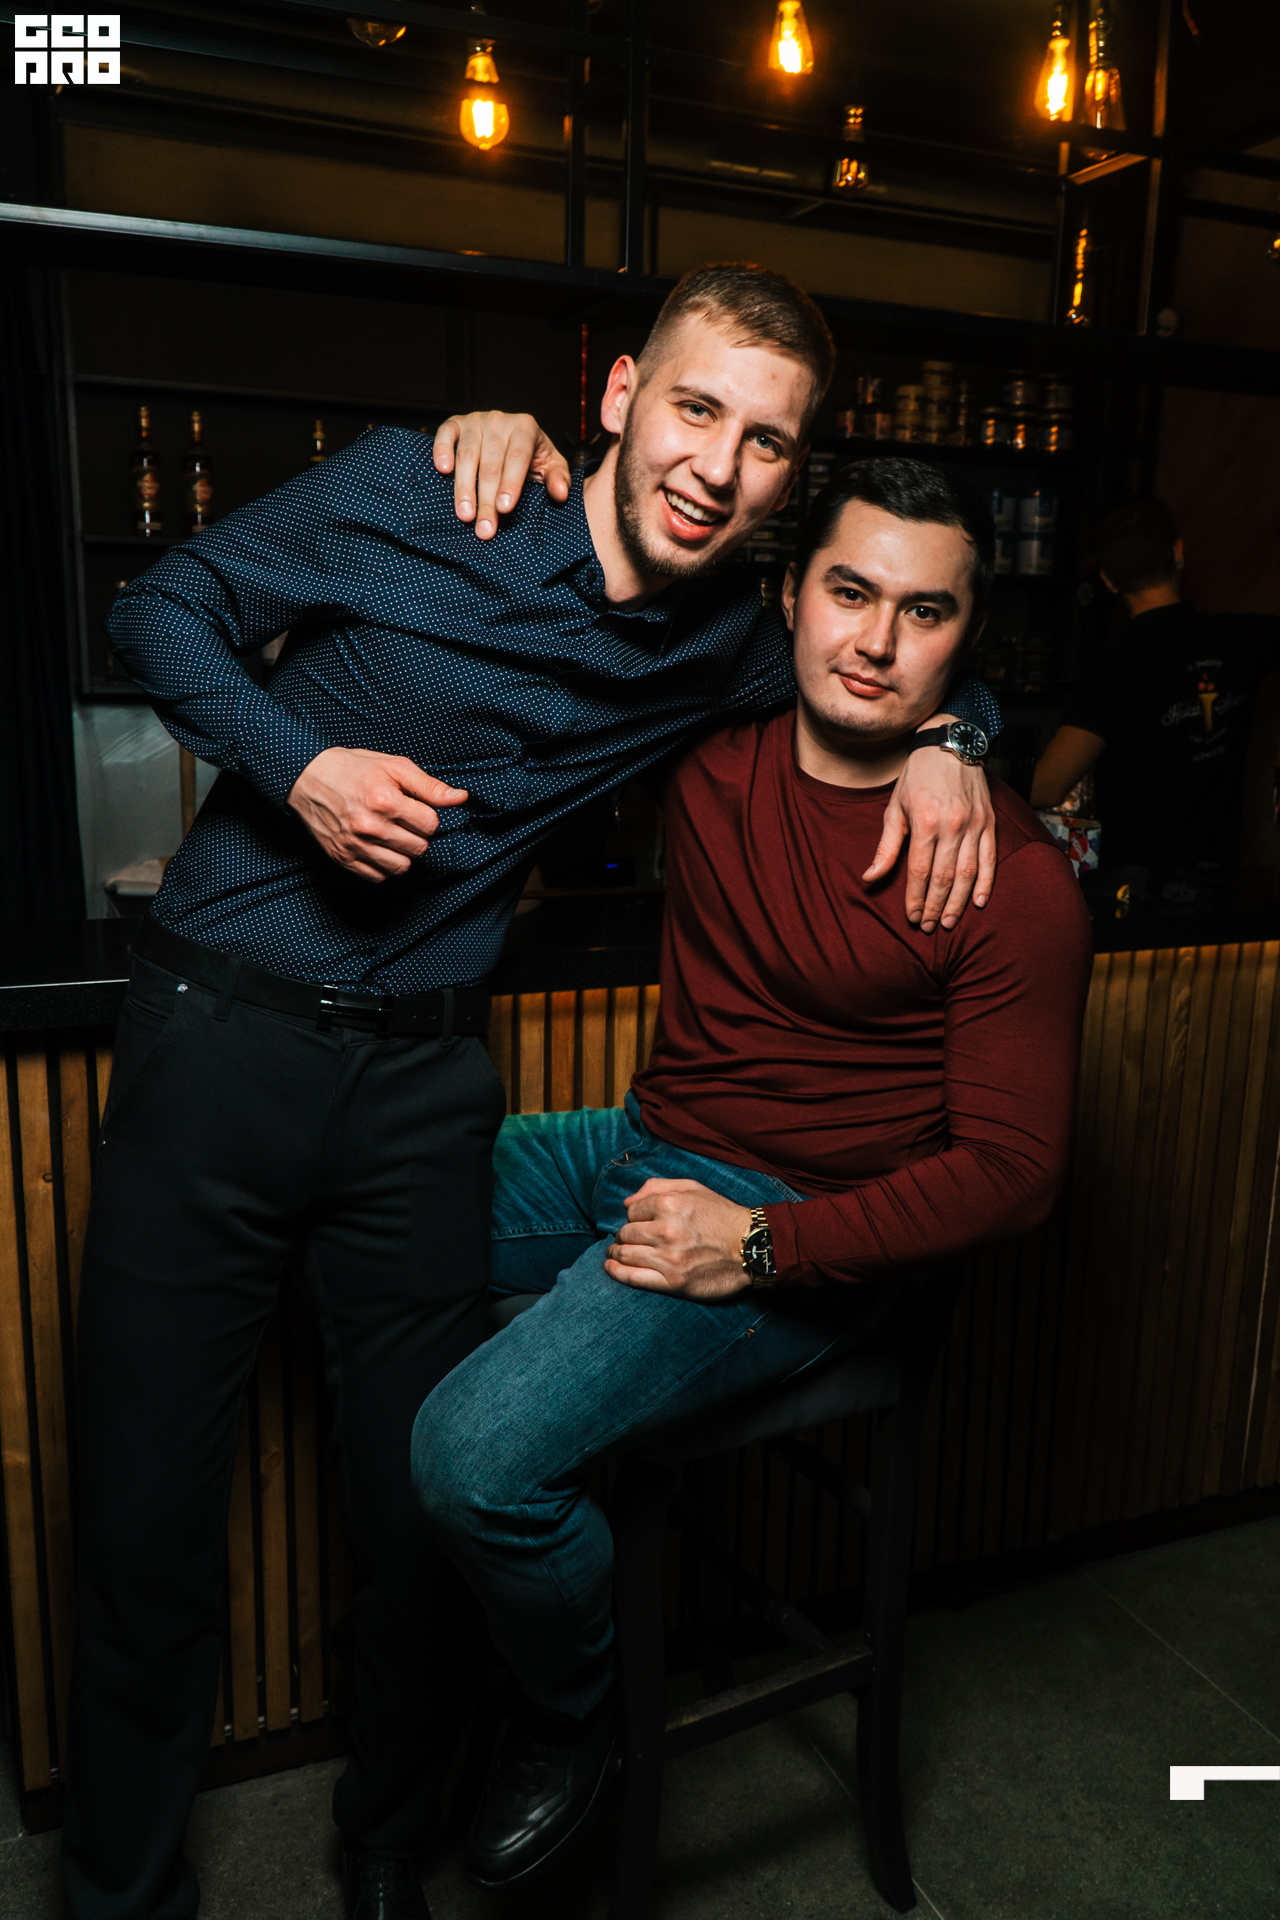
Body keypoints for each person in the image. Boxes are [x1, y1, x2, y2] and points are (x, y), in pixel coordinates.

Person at [70, 265, 999, 1920]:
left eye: (766, 441)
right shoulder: (430, 488)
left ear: (791, 478)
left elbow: (913, 660)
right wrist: (298, 764)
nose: (717, 465)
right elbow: (159, 608)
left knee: (410, 1515)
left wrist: (961, 747)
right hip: (219, 1039)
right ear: (623, 395)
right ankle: (121, 1900)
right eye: (697, 409)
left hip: (425, 1086)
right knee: (146, 1525)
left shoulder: (729, 641)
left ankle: (384, 1851)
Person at [411, 457, 1093, 1894]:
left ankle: (573, 1710)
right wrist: (489, 434)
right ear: (787, 596)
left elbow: (1015, 1176)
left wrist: (762, 1250)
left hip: (798, 1228)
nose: (875, 642)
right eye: (849, 592)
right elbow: (604, 568)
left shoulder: (1009, 875)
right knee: (374, 1215)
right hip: (638, 1141)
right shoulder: (711, 734)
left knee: (470, 1458)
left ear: (967, 638)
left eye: (924, 614)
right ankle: (466, 1640)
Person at [1031, 496, 1280, 911]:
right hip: (1218, 887)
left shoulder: (1113, 667)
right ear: (1178, 553)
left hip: (1131, 893)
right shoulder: (1244, 640)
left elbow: (1048, 784)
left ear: (1109, 580)